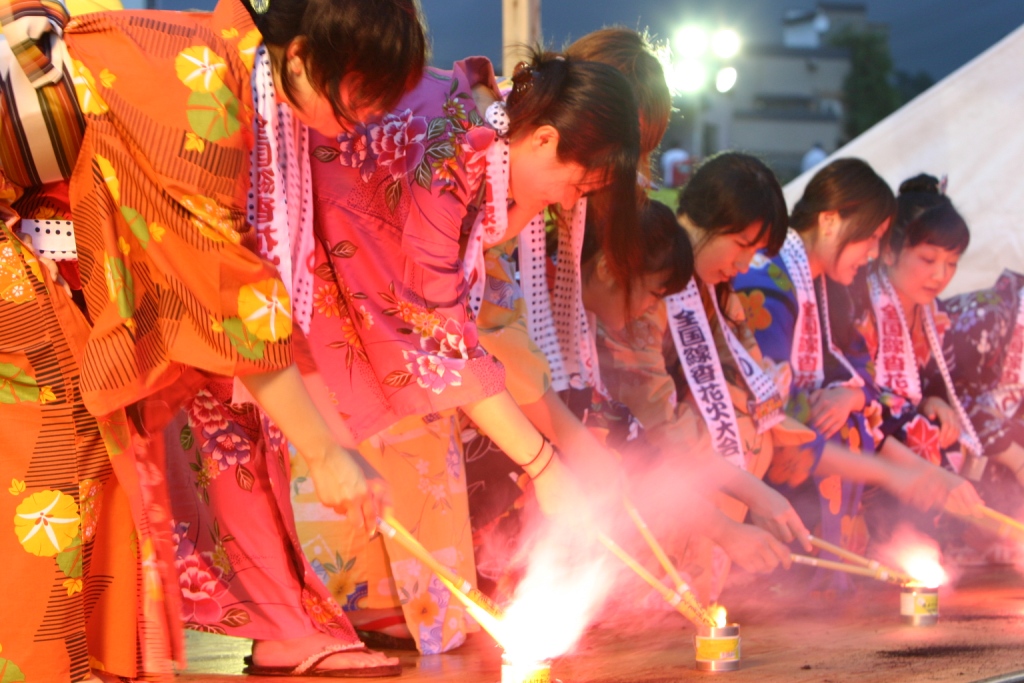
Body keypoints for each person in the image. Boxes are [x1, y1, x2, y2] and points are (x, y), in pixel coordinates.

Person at [0, 0, 426, 677]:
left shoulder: (215, 63)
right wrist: (324, 451)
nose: (368, 119)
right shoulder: (196, 83)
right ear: (304, 57)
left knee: (105, 445)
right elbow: (227, 288)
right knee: (65, 446)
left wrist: (331, 445)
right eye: (364, 93)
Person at [298, 49, 641, 653]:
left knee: (423, 437)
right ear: (544, 139)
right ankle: (348, 609)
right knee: (391, 434)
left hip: (369, 304)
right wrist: (545, 465)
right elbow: (443, 345)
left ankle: (394, 609)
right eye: (577, 184)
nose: (569, 203)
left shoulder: (484, 133)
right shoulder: (452, 161)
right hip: (330, 298)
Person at [733, 159, 980, 588]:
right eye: (870, 239)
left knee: (853, 414)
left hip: (815, 435)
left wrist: (852, 395)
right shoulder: (768, 280)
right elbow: (775, 404)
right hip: (763, 441)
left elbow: (857, 369)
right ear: (830, 221)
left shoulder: (828, 286)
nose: (871, 254)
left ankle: (836, 575)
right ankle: (799, 579)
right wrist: (900, 474)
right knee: (834, 425)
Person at [838, 175, 1024, 534]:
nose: (941, 275)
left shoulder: (931, 314)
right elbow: (858, 385)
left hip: (903, 433)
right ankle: (895, 535)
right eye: (928, 259)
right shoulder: (860, 307)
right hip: (867, 434)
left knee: (951, 434)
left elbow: (941, 381)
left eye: (952, 263)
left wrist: (935, 399)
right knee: (928, 437)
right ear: (889, 250)